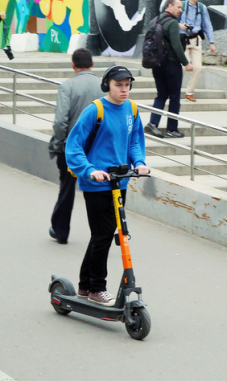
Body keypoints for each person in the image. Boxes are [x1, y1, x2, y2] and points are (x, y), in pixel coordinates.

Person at [65, 65, 149, 306]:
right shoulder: (96, 110)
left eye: (127, 85)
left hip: (119, 182)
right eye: (118, 85)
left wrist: (139, 162)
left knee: (102, 235)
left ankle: (84, 285)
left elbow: (134, 140)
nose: (124, 90)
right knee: (103, 234)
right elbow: (74, 146)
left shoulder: (132, 109)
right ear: (107, 85)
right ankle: (97, 288)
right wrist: (90, 170)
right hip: (97, 183)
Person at [48, 48, 104, 244]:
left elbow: (60, 122)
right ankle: (101, 234)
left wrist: (58, 144)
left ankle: (61, 231)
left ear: (74, 65)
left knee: (67, 189)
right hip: (98, 149)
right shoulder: (103, 86)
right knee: (99, 192)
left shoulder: (67, 87)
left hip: (72, 149)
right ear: (92, 64)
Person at [144, 0, 194, 139]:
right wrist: (186, 63)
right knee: (174, 97)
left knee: (161, 94)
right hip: (171, 65)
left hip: (157, 64)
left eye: (181, 8)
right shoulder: (172, 23)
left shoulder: (154, 21)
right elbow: (177, 46)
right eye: (178, 7)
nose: (180, 10)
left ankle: (153, 124)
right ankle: (172, 129)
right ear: (169, 6)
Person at [178, 0, 216, 102]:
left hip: (196, 39)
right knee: (182, 67)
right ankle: (174, 89)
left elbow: (207, 24)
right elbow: (172, 19)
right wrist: (179, 25)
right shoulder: (182, 5)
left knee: (198, 67)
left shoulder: (202, 7)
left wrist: (211, 41)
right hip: (183, 39)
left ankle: (189, 93)